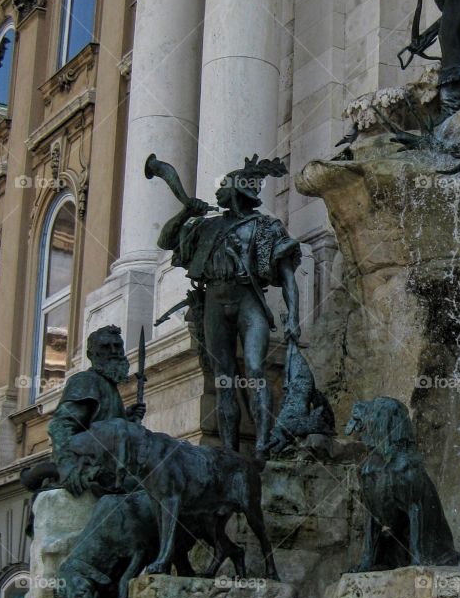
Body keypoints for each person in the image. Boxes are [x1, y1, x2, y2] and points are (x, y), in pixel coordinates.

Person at [157, 155, 300, 458]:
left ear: (237, 190)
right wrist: (184, 212)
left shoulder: (266, 227)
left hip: (249, 298)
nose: (218, 190)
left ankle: (262, 443)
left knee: (255, 367)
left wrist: (294, 320)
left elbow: (287, 276)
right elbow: (165, 241)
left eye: (224, 185)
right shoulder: (205, 227)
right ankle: (230, 452)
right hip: (213, 300)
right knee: (223, 378)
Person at [49, 324, 145, 495]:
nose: (114, 351)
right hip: (95, 467)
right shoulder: (86, 381)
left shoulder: (108, 384)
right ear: (91, 355)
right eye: (105, 347)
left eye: (118, 346)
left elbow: (103, 428)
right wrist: (69, 468)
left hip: (112, 465)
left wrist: (127, 419)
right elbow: (60, 426)